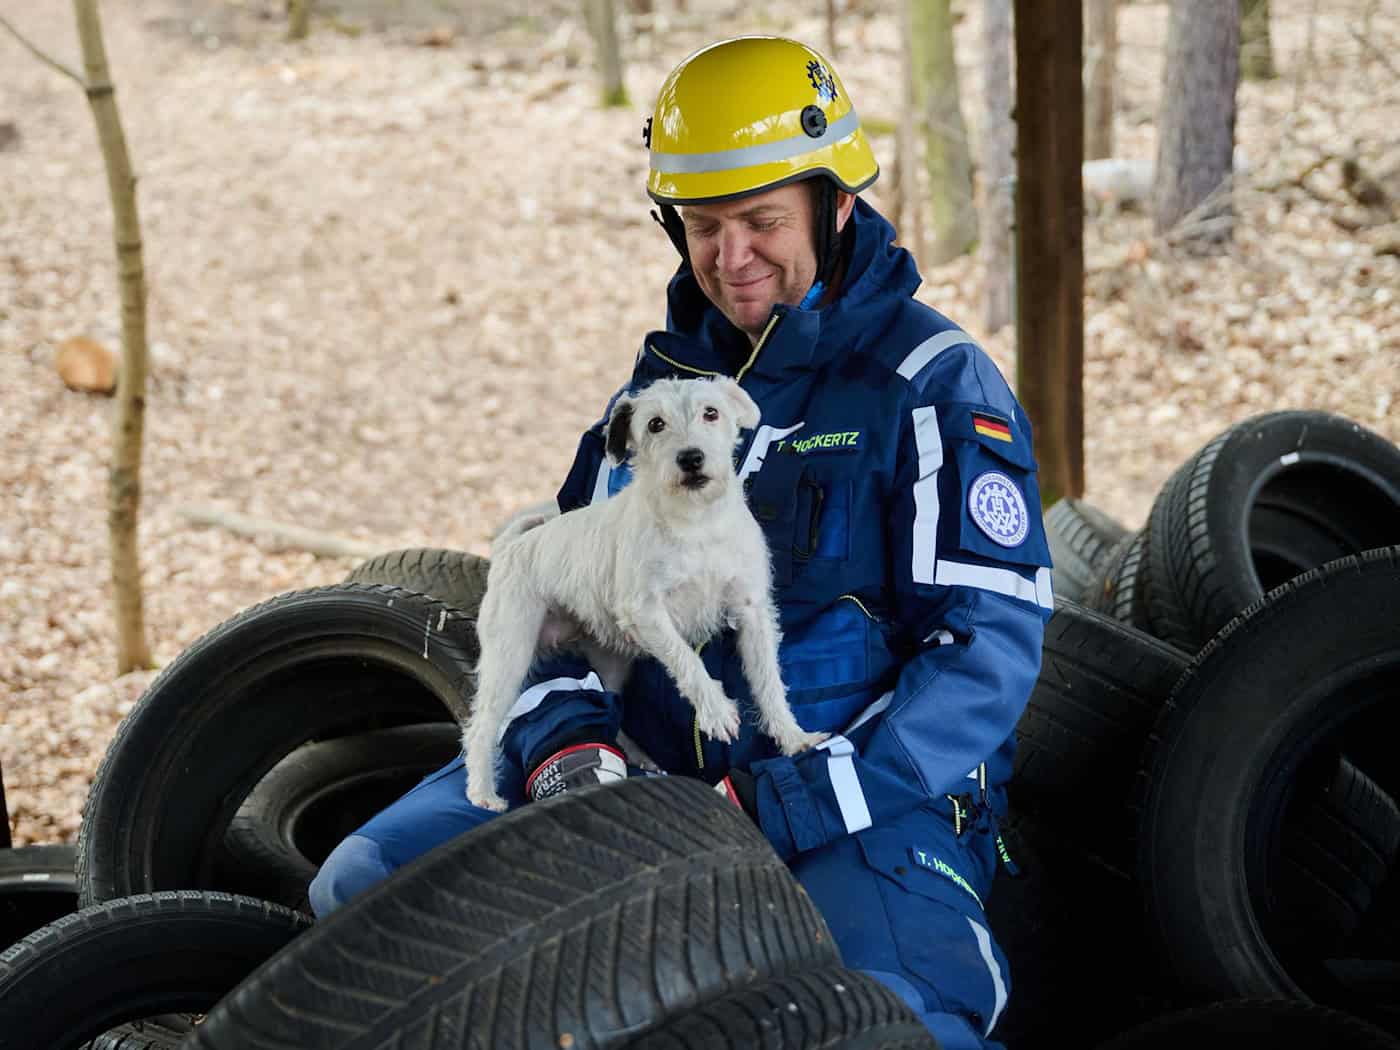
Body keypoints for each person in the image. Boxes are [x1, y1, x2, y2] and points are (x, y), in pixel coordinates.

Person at [310, 35, 1052, 1050]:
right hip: (637, 772)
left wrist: (787, 801)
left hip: (855, 803)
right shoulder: (651, 394)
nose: (731, 258)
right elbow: (554, 601)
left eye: (761, 221)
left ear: (835, 205)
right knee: (367, 893)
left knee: (891, 1017)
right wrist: (563, 745)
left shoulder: (932, 386)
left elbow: (982, 659)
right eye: (704, 226)